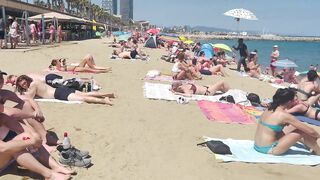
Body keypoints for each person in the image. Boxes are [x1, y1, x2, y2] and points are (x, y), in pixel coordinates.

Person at [254, 88, 320, 155]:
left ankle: (309, 145)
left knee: (292, 128)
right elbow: (310, 131)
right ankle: (318, 151)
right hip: (269, 149)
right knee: (302, 131)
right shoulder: (284, 115)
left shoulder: (269, 109)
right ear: (289, 102)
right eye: (293, 100)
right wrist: (317, 136)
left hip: (257, 145)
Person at [15, 75, 115, 105]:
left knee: (82, 99)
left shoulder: (33, 85)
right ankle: (107, 94)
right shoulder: (34, 83)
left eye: (24, 83)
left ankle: (103, 100)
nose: (24, 86)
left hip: (58, 93)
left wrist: (20, 93)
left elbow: (29, 97)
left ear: (27, 80)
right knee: (85, 94)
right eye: (22, 85)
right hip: (61, 89)